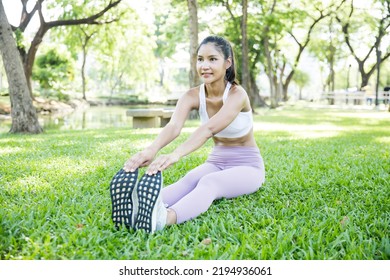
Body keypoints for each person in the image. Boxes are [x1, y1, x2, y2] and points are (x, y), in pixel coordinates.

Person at [110, 35, 265, 233]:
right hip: (216, 162)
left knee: (210, 182)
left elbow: (208, 129)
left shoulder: (237, 95)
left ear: (227, 63)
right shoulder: (192, 96)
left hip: (248, 166)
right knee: (190, 180)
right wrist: (151, 150)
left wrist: (175, 154)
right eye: (200, 59)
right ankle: (138, 208)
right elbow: (174, 126)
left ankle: (164, 219)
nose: (204, 65)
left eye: (212, 59)